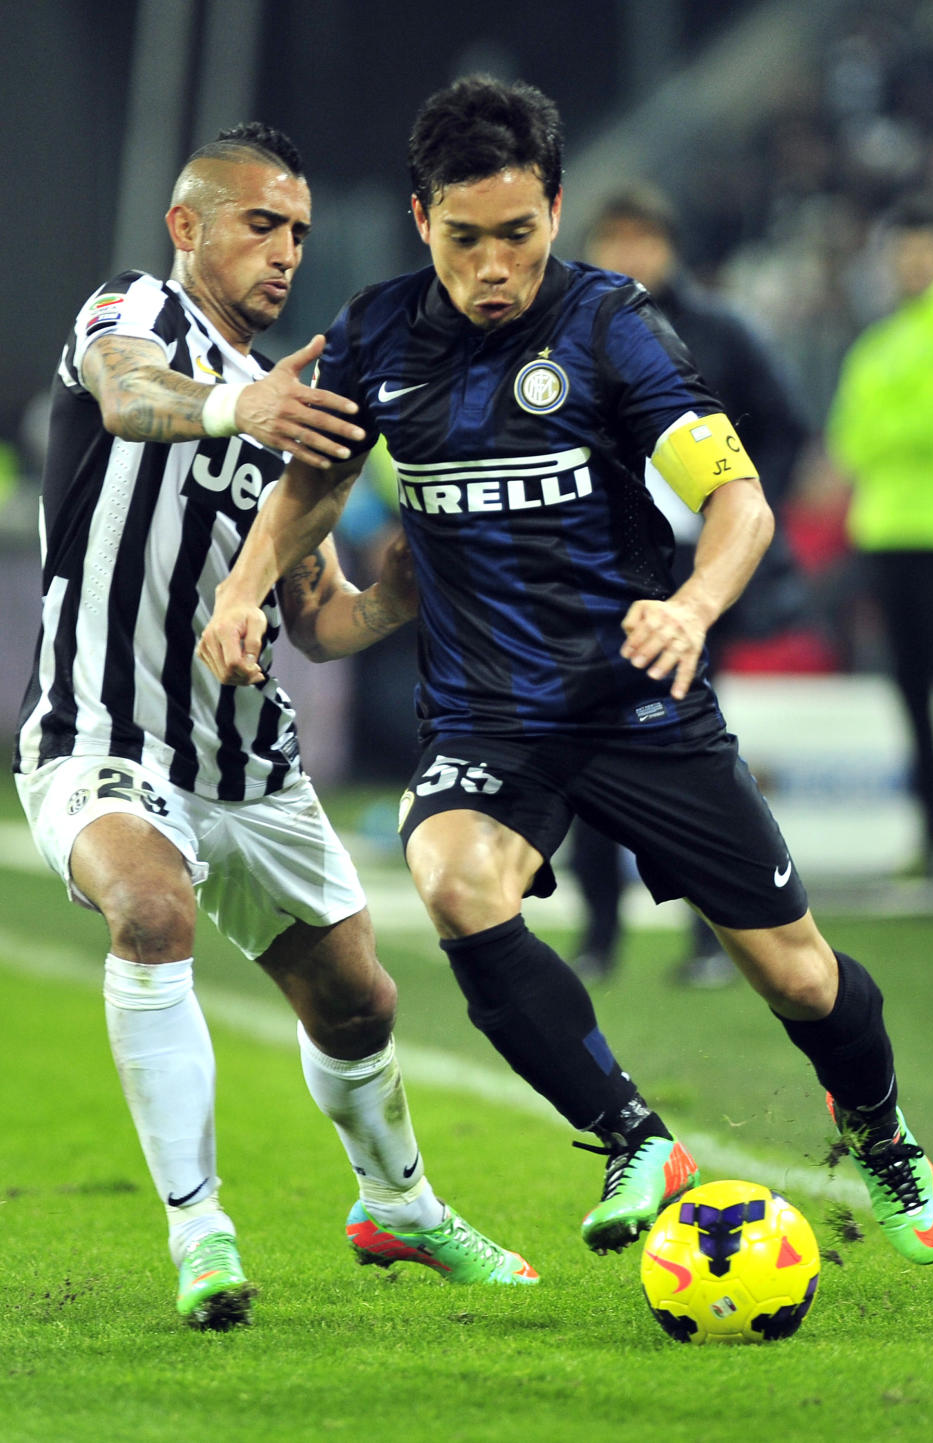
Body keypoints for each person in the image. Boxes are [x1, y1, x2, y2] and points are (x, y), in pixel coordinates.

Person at [199, 82, 933, 1270]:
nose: (492, 267)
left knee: (801, 981)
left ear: (555, 209)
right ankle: (635, 1138)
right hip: (491, 715)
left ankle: (876, 1123)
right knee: (450, 876)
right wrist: (243, 593)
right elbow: (311, 487)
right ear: (418, 218)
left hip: (637, 700)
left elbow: (741, 499)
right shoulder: (378, 334)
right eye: (463, 239)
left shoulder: (613, 327)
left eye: (518, 235)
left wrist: (695, 603)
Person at [12, 122, 539, 1333]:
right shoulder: (130, 311)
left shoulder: (298, 405)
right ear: (188, 226)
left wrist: (393, 594)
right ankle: (201, 1233)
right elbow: (133, 397)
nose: (286, 250)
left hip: (247, 762)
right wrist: (242, 402)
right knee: (151, 911)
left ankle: (396, 1203)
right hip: (101, 736)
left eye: (299, 230)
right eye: (261, 223)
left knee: (359, 1008)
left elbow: (316, 622)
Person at [568, 184, 814, 988]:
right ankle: (600, 929)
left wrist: (744, 507)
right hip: (608, 563)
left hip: (698, 566)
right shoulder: (570, 331)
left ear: (671, 245)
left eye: (644, 237)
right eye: (617, 238)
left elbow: (785, 427)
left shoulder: (721, 330)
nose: (631, 253)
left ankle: (719, 934)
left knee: (694, 743)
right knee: (597, 738)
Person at [827, 192, 933, 880]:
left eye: (922, 248)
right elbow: (852, 439)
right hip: (890, 535)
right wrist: (904, 421)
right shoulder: (879, 344)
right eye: (902, 251)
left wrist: (895, 422)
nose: (912, 262)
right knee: (911, 691)